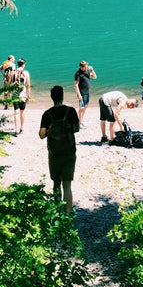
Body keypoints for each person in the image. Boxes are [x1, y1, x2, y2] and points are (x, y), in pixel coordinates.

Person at [39, 85, 80, 213]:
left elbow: (41, 135)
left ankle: (57, 211)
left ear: (51, 97)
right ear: (62, 96)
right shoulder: (71, 111)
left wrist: (50, 131)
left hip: (54, 153)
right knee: (67, 185)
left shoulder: (47, 114)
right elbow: (77, 129)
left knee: (56, 183)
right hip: (69, 152)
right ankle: (67, 216)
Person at [8, 58, 31, 134]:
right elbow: (28, 86)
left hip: (14, 95)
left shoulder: (12, 72)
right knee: (22, 112)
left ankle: (16, 129)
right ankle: (21, 128)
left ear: (18, 64)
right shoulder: (26, 73)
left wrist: (8, 95)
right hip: (23, 95)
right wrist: (29, 96)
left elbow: (9, 84)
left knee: (16, 112)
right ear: (23, 64)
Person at [74, 60, 97, 128]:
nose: (86, 68)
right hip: (82, 93)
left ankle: (80, 121)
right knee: (81, 108)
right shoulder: (78, 74)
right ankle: (80, 123)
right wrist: (79, 95)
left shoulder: (86, 71)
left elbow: (94, 77)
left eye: (87, 67)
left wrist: (92, 70)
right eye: (85, 67)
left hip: (87, 92)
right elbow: (76, 85)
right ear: (81, 67)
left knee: (85, 107)